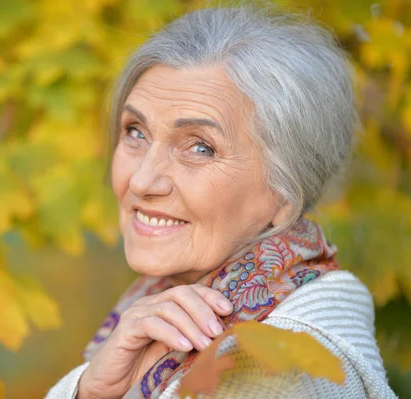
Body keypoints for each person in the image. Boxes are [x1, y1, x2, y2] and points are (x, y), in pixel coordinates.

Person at [46, 5, 396, 399]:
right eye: (135, 132)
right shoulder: (164, 306)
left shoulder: (276, 373)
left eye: (200, 147)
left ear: (285, 191)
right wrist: (90, 392)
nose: (142, 180)